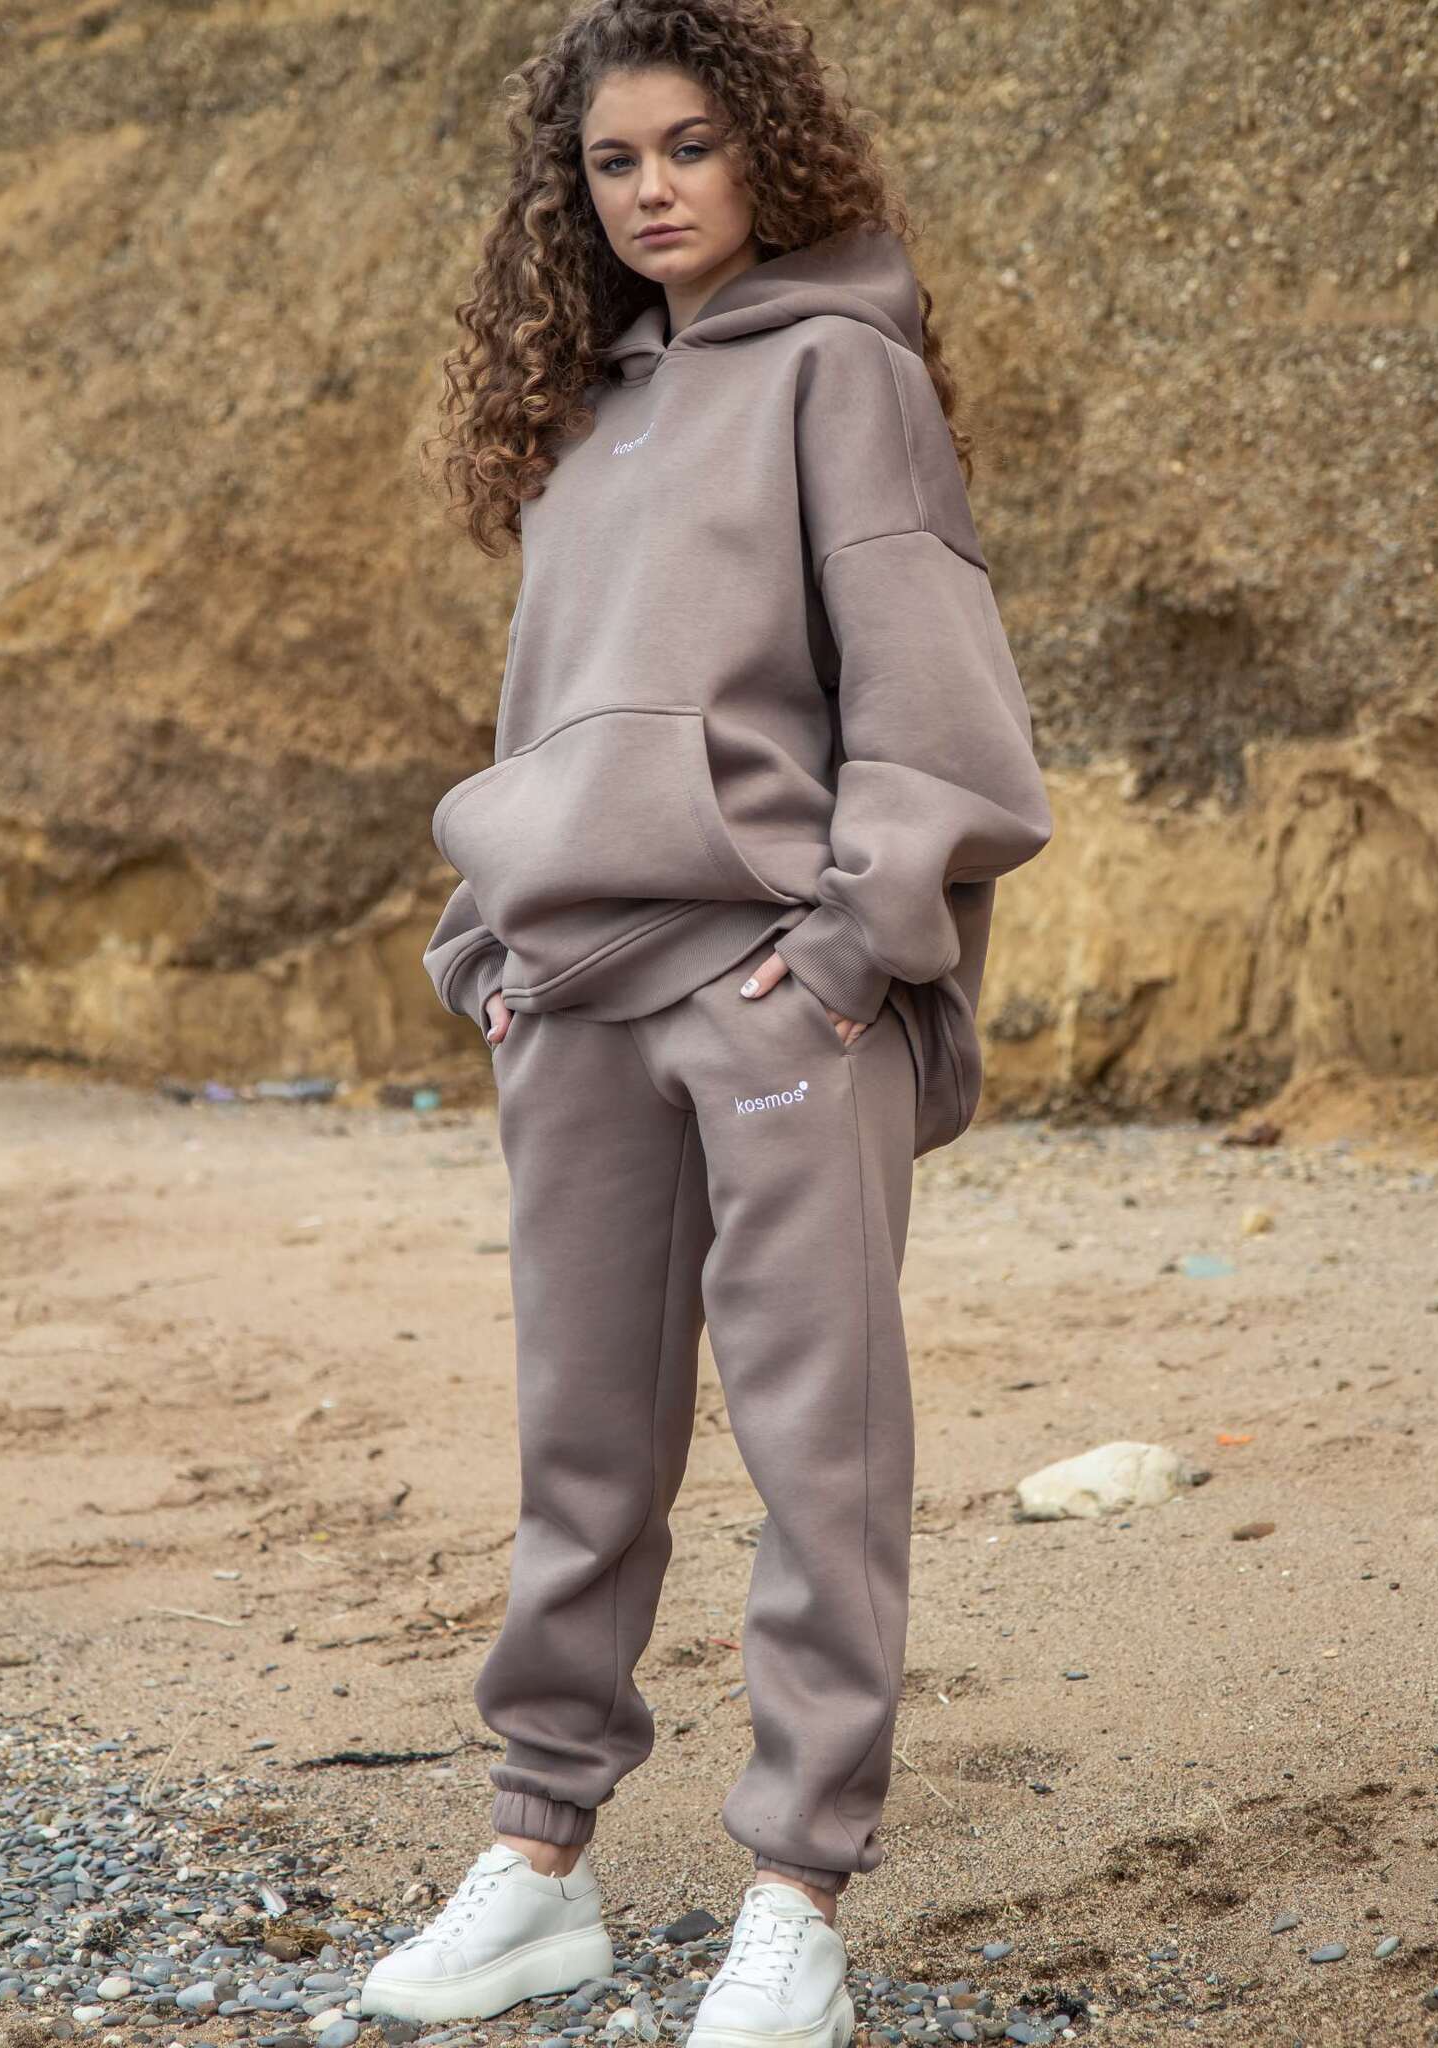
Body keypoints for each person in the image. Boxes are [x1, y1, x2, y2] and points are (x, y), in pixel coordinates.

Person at [363, 0, 1052, 2038]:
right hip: (572, 996)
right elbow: (552, 706)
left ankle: (795, 1898)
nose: (652, 189)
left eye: (689, 146)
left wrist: (850, 953)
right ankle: (537, 1861)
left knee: (819, 1450)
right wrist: (492, 947)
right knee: (581, 1442)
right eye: (613, 161)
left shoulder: (846, 371)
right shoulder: (584, 413)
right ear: (571, 190)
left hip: (772, 994)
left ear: (767, 152)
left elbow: (931, 693)